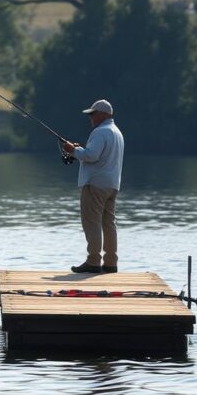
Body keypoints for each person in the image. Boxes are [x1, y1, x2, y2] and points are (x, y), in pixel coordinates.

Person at [62, 99, 125, 274]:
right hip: (112, 186)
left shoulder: (100, 132)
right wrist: (78, 150)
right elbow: (97, 155)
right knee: (109, 223)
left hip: (95, 185)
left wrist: (72, 150)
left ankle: (93, 261)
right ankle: (111, 262)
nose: (91, 118)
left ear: (103, 114)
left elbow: (91, 155)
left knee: (92, 223)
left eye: (93, 114)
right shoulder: (117, 132)